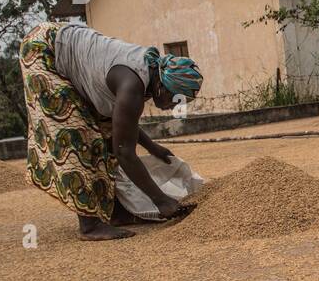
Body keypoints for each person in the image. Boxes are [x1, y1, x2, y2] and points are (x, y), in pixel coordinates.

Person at [19, 20, 204, 241]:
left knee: (107, 134)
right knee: (78, 137)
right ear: (162, 86)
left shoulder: (149, 75)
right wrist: (161, 200)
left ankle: (117, 213)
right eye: (175, 99)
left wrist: (152, 147)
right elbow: (124, 151)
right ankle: (89, 225)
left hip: (68, 43)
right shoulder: (132, 86)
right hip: (43, 50)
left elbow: (123, 125)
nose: (174, 106)